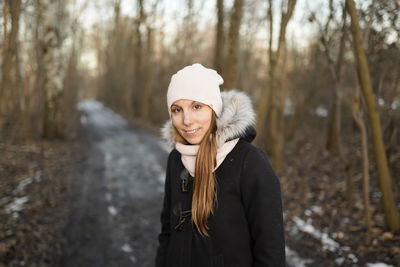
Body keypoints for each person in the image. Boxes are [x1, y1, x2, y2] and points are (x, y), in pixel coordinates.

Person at [156, 63, 285, 267]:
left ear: (214, 109)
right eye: (177, 110)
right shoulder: (176, 158)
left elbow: (270, 249)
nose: (186, 120)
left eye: (196, 106)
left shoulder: (250, 162)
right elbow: (167, 232)